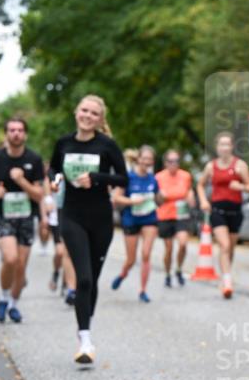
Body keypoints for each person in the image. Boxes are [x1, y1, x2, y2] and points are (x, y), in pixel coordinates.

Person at [49, 94, 127, 365]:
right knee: (82, 279)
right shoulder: (64, 143)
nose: (88, 116)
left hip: (100, 218)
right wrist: (55, 179)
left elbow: (123, 178)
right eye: (84, 110)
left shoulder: (107, 145)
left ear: (100, 119)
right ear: (76, 112)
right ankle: (85, 340)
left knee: (92, 279)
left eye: (94, 113)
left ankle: (85, 325)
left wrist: (96, 178)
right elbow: (53, 168)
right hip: (71, 215)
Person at [0, 117, 47, 324]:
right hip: (4, 216)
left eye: (20, 130)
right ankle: (3, 298)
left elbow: (39, 194)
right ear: (6, 134)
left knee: (20, 266)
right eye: (12, 130)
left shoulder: (34, 159)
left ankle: (13, 304)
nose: (16, 133)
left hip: (26, 217)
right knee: (10, 259)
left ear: (25, 134)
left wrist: (21, 180)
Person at [196, 131, 249, 298]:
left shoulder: (240, 165)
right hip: (217, 211)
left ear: (232, 146)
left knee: (231, 249)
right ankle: (228, 283)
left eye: (227, 144)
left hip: (235, 211)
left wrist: (240, 186)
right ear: (217, 147)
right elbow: (200, 185)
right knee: (224, 245)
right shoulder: (211, 166)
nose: (224, 147)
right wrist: (203, 201)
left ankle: (225, 276)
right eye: (222, 144)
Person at [111, 145, 162, 303]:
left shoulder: (153, 179)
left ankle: (143, 290)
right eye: (144, 158)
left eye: (150, 159)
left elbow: (158, 199)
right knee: (131, 259)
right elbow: (116, 198)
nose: (147, 161)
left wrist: (162, 197)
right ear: (138, 159)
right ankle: (123, 274)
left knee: (146, 254)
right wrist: (132, 201)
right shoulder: (128, 177)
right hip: (131, 219)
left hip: (149, 218)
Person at [156, 149, 196, 287]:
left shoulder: (186, 176)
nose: (173, 164)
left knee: (183, 243)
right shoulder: (159, 177)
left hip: (181, 214)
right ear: (165, 163)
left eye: (176, 161)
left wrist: (191, 196)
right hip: (165, 215)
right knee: (169, 249)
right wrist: (160, 196)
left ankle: (178, 269)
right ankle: (167, 274)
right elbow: (156, 201)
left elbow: (189, 190)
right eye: (170, 161)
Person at [45, 173, 77, 305]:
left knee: (69, 252)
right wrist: (48, 200)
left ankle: (69, 286)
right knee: (60, 252)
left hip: (73, 213)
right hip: (58, 214)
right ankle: (56, 272)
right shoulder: (55, 172)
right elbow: (48, 185)